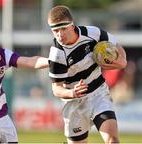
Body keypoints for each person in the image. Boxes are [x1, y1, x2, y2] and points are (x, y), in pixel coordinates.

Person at [47, 5, 127, 144]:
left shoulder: (92, 33)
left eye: (63, 29)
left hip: (98, 94)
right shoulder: (57, 55)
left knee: (113, 141)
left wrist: (122, 62)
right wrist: (72, 93)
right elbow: (56, 88)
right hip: (74, 103)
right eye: (55, 31)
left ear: (72, 25)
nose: (60, 34)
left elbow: (117, 46)